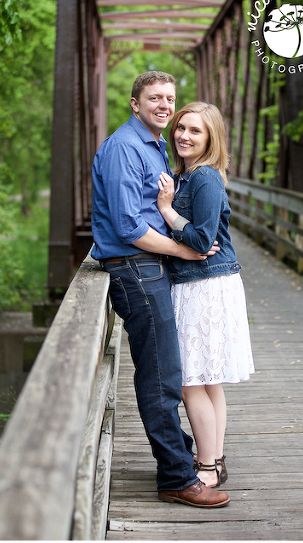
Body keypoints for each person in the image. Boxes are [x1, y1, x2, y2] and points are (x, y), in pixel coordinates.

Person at [90, 71, 229, 508]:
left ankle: (184, 458)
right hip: (135, 269)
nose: (164, 105)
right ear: (136, 104)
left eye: (169, 98)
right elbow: (129, 226)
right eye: (154, 98)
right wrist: (185, 250)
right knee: (162, 377)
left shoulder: (155, 146)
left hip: (151, 267)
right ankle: (176, 477)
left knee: (166, 372)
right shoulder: (123, 148)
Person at [156, 101, 254, 488]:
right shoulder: (184, 176)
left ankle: (208, 467)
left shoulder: (205, 178)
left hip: (206, 286)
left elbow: (201, 240)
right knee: (208, 380)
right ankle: (215, 459)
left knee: (190, 381)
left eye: (195, 130)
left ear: (211, 138)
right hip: (198, 284)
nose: (184, 135)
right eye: (181, 127)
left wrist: (167, 211)